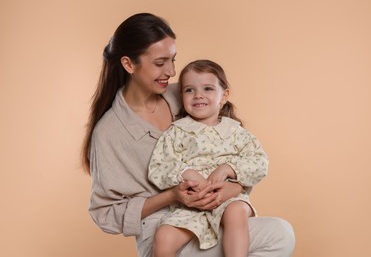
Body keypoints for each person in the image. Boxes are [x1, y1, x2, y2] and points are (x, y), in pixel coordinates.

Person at [82, 13, 295, 257]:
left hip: (215, 214)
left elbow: (233, 147)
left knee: (280, 233)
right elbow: (105, 214)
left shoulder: (186, 94)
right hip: (165, 232)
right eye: (160, 63)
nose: (172, 71)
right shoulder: (108, 132)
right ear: (129, 64)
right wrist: (172, 196)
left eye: (173, 59)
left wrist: (233, 188)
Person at [148, 59, 269, 257]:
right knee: (164, 237)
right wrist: (186, 173)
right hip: (190, 205)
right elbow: (158, 167)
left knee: (236, 212)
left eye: (208, 88)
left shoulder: (235, 132)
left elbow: (259, 163)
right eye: (189, 90)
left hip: (228, 199)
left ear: (224, 95)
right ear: (181, 96)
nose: (198, 95)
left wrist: (228, 168)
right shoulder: (176, 132)